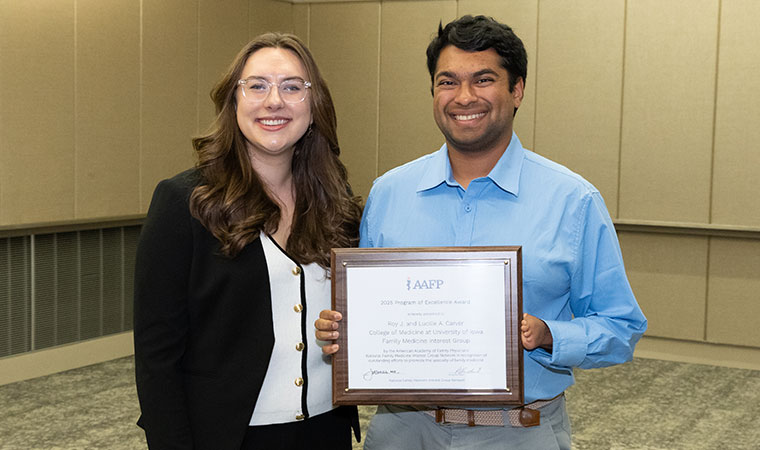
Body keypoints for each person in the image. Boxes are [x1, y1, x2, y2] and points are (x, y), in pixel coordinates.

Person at [315, 15, 647, 449]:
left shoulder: (573, 201)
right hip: (402, 430)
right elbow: (366, 308)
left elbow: (620, 327)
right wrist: (339, 328)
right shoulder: (389, 193)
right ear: (434, 93)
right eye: (447, 82)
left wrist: (548, 334)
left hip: (519, 433)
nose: (463, 97)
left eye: (484, 79)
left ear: (517, 90)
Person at [134, 32, 363, 450]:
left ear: (314, 107)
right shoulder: (184, 202)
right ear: (233, 101)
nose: (273, 101)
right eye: (256, 86)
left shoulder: (336, 201)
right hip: (229, 435)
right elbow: (156, 358)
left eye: (292, 87)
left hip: (325, 431)